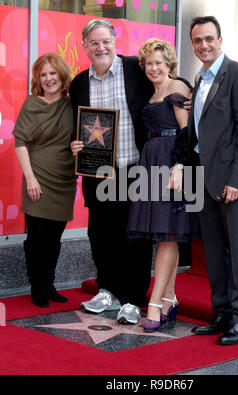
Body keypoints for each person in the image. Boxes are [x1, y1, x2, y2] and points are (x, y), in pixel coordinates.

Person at [69, 19, 155, 325]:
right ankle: (107, 290)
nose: (100, 47)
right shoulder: (79, 83)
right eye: (94, 43)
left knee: (135, 236)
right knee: (101, 234)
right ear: (85, 47)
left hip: (135, 169)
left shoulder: (136, 70)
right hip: (98, 173)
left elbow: (166, 87)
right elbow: (76, 125)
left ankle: (133, 299)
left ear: (115, 41)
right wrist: (77, 144)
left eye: (105, 41)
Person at [187, 16, 238, 345]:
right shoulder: (199, 78)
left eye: (208, 39)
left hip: (234, 181)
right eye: (197, 40)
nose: (203, 45)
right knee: (214, 252)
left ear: (220, 39)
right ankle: (222, 314)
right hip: (204, 179)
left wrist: (237, 179)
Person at [127, 38, 201, 332]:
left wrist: (179, 168)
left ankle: (155, 303)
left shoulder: (178, 88)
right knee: (164, 235)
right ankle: (169, 299)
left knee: (169, 236)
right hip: (152, 162)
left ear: (169, 63)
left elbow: (187, 132)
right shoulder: (152, 92)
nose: (153, 67)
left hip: (173, 164)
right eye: (148, 63)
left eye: (159, 62)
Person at [12, 53, 77, 308]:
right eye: (43, 74)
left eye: (53, 73)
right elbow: (20, 142)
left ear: (62, 75)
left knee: (54, 238)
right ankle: (36, 287)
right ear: (38, 79)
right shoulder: (32, 104)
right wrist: (30, 179)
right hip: (37, 176)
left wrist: (78, 146)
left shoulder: (73, 104)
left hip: (64, 179)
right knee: (37, 238)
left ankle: (49, 285)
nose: (49, 79)